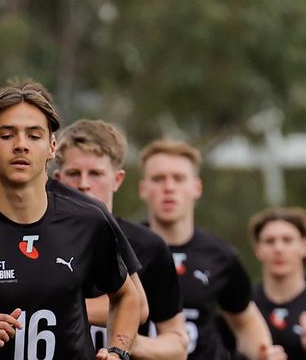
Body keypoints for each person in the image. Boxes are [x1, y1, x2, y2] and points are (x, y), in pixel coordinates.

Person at [0, 80, 140, 359]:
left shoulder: (89, 220)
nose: (21, 145)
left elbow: (128, 298)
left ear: (52, 147)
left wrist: (118, 351)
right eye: (7, 135)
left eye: (34, 136)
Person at [138, 139, 286, 360]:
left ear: (196, 187)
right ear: (143, 188)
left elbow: (245, 322)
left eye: (178, 178)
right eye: (158, 179)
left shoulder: (220, 255)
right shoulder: (123, 245)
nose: (169, 187)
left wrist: (262, 352)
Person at [53, 119, 188, 360]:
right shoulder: (39, 238)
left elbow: (177, 346)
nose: (83, 184)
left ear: (118, 179)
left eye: (95, 173)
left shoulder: (149, 246)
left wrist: (124, 342)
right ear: (58, 179)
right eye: (73, 173)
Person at [249, 207, 306, 359]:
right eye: (269, 241)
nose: (278, 248)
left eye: (287, 240)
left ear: (304, 245)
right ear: (258, 249)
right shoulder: (244, 305)